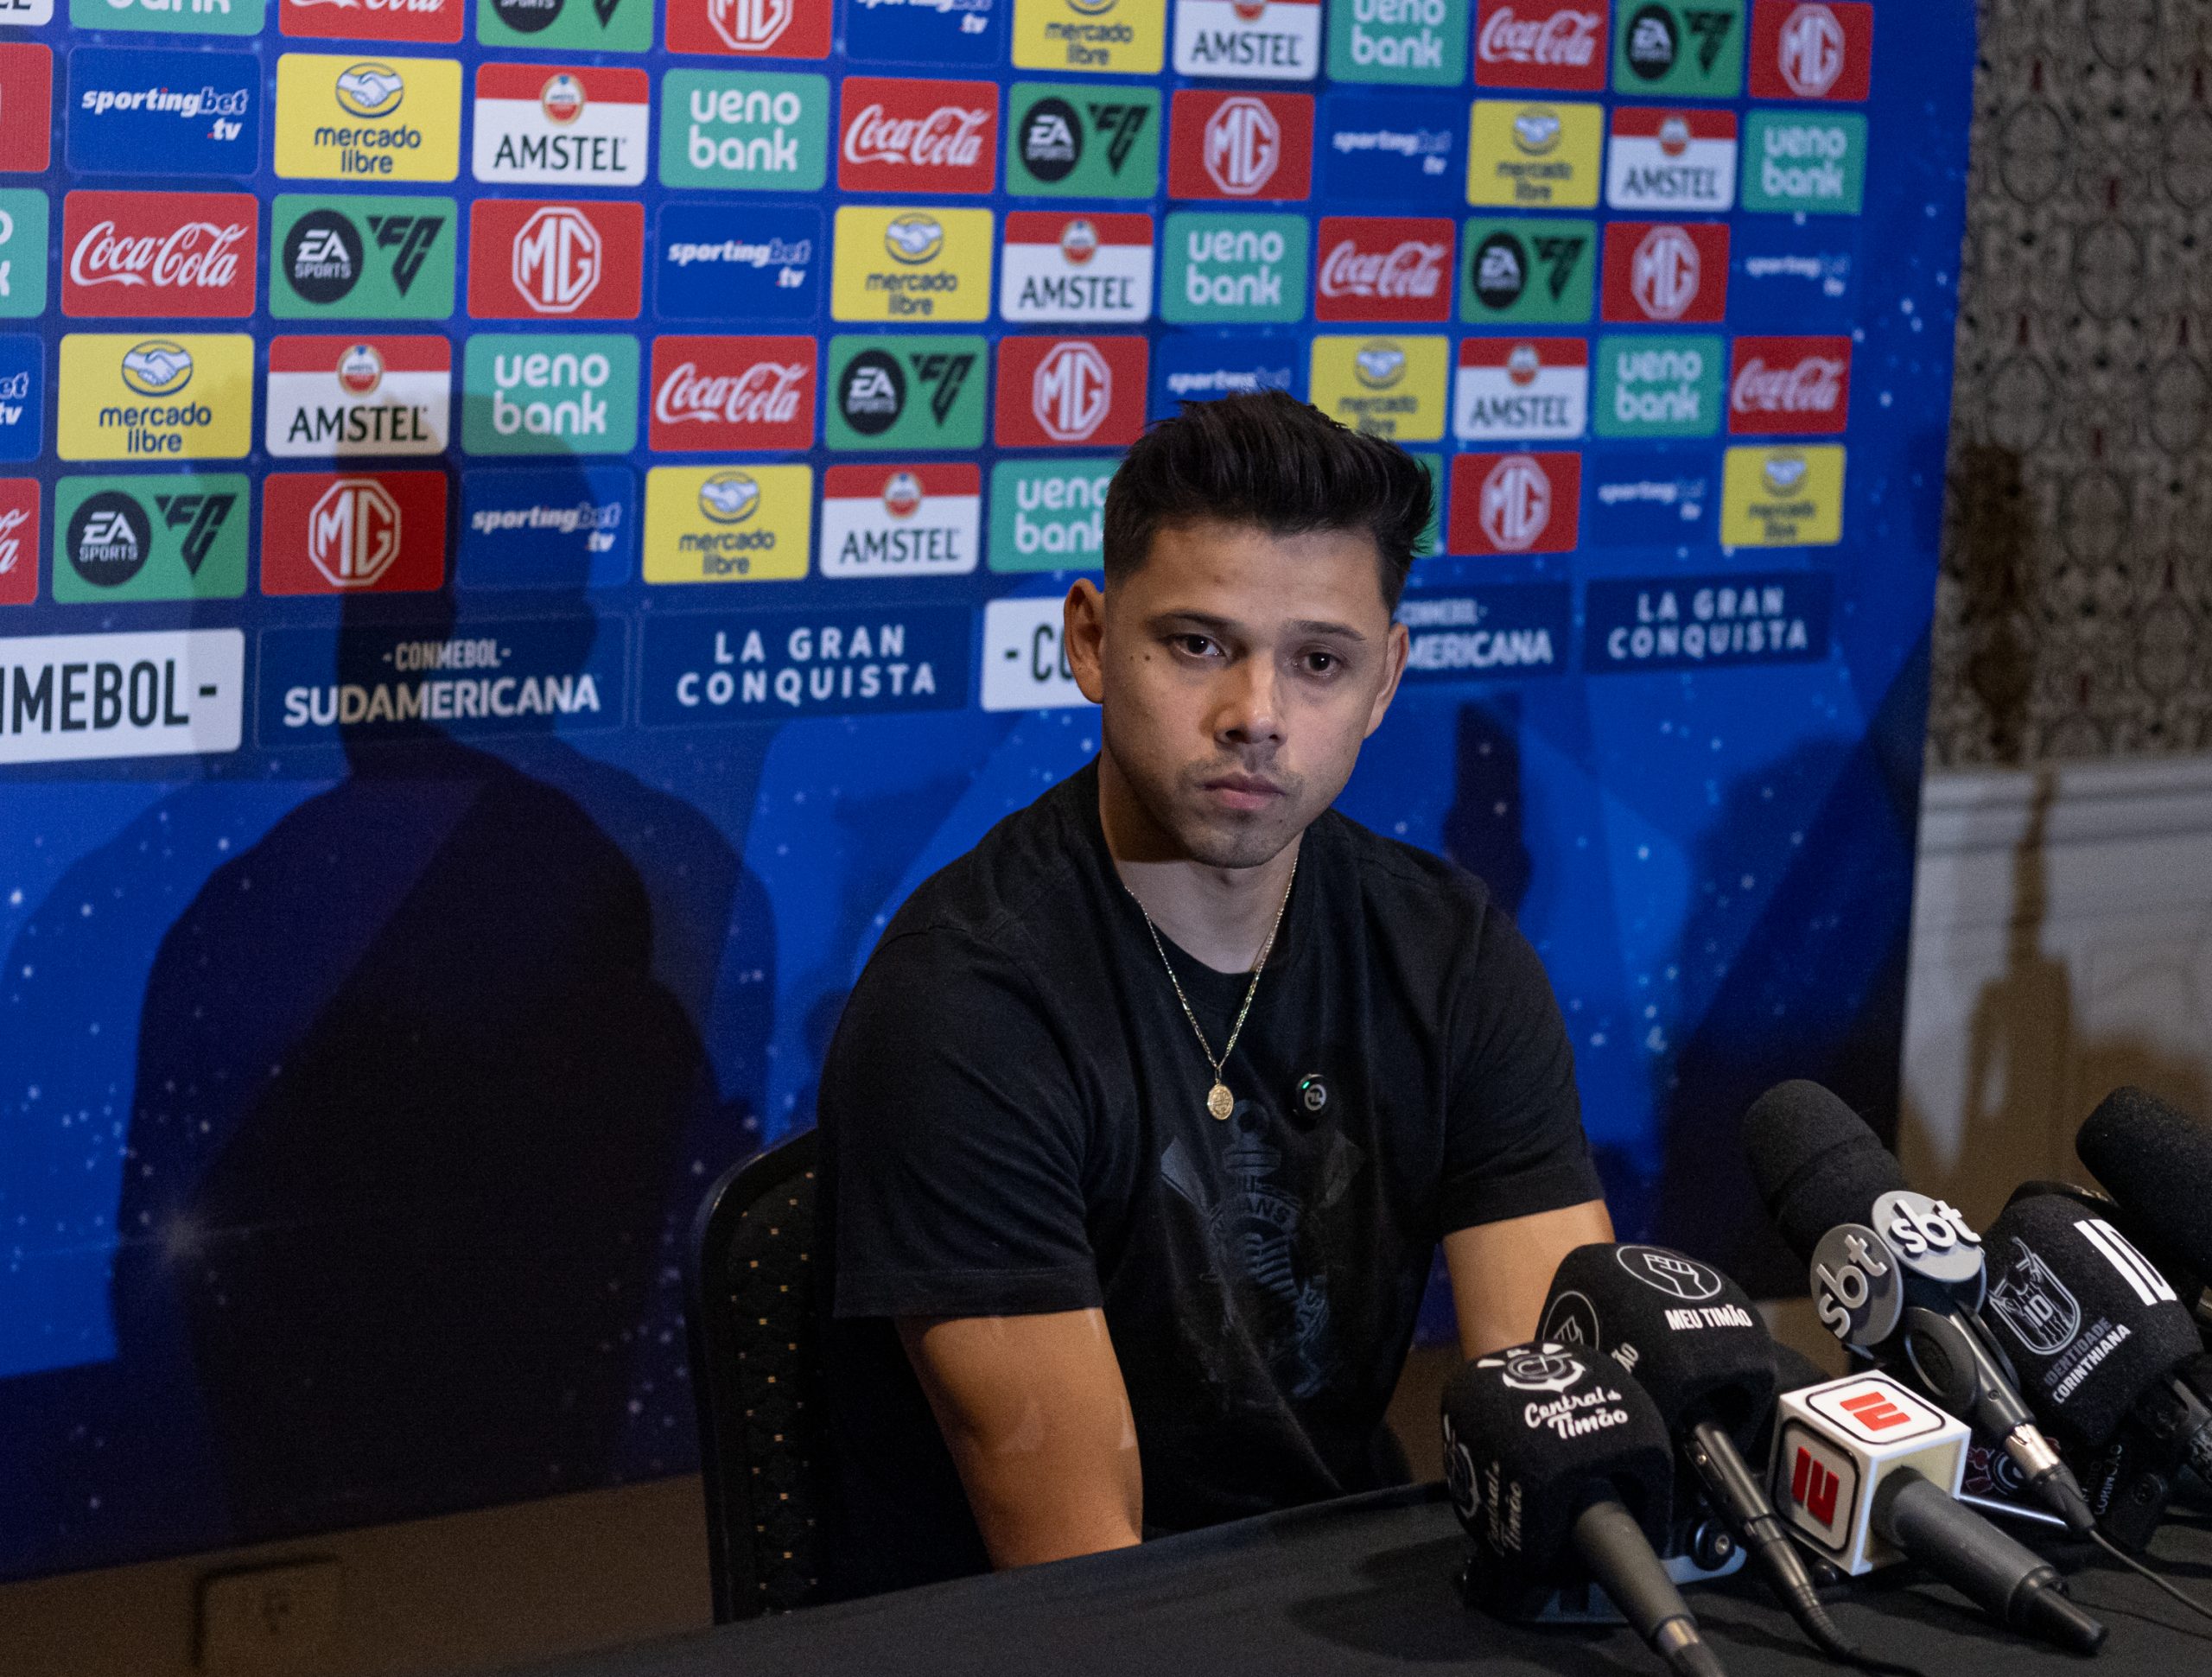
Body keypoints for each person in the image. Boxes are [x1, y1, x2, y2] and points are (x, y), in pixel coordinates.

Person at [816, 391, 1611, 1598]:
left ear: (1386, 679)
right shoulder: (964, 1006)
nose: (1257, 715)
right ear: (1088, 638)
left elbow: (1556, 1428)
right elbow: (1085, 1581)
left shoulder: (1452, 956)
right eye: (1197, 644)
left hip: (1349, 1604)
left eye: (1319, 661)